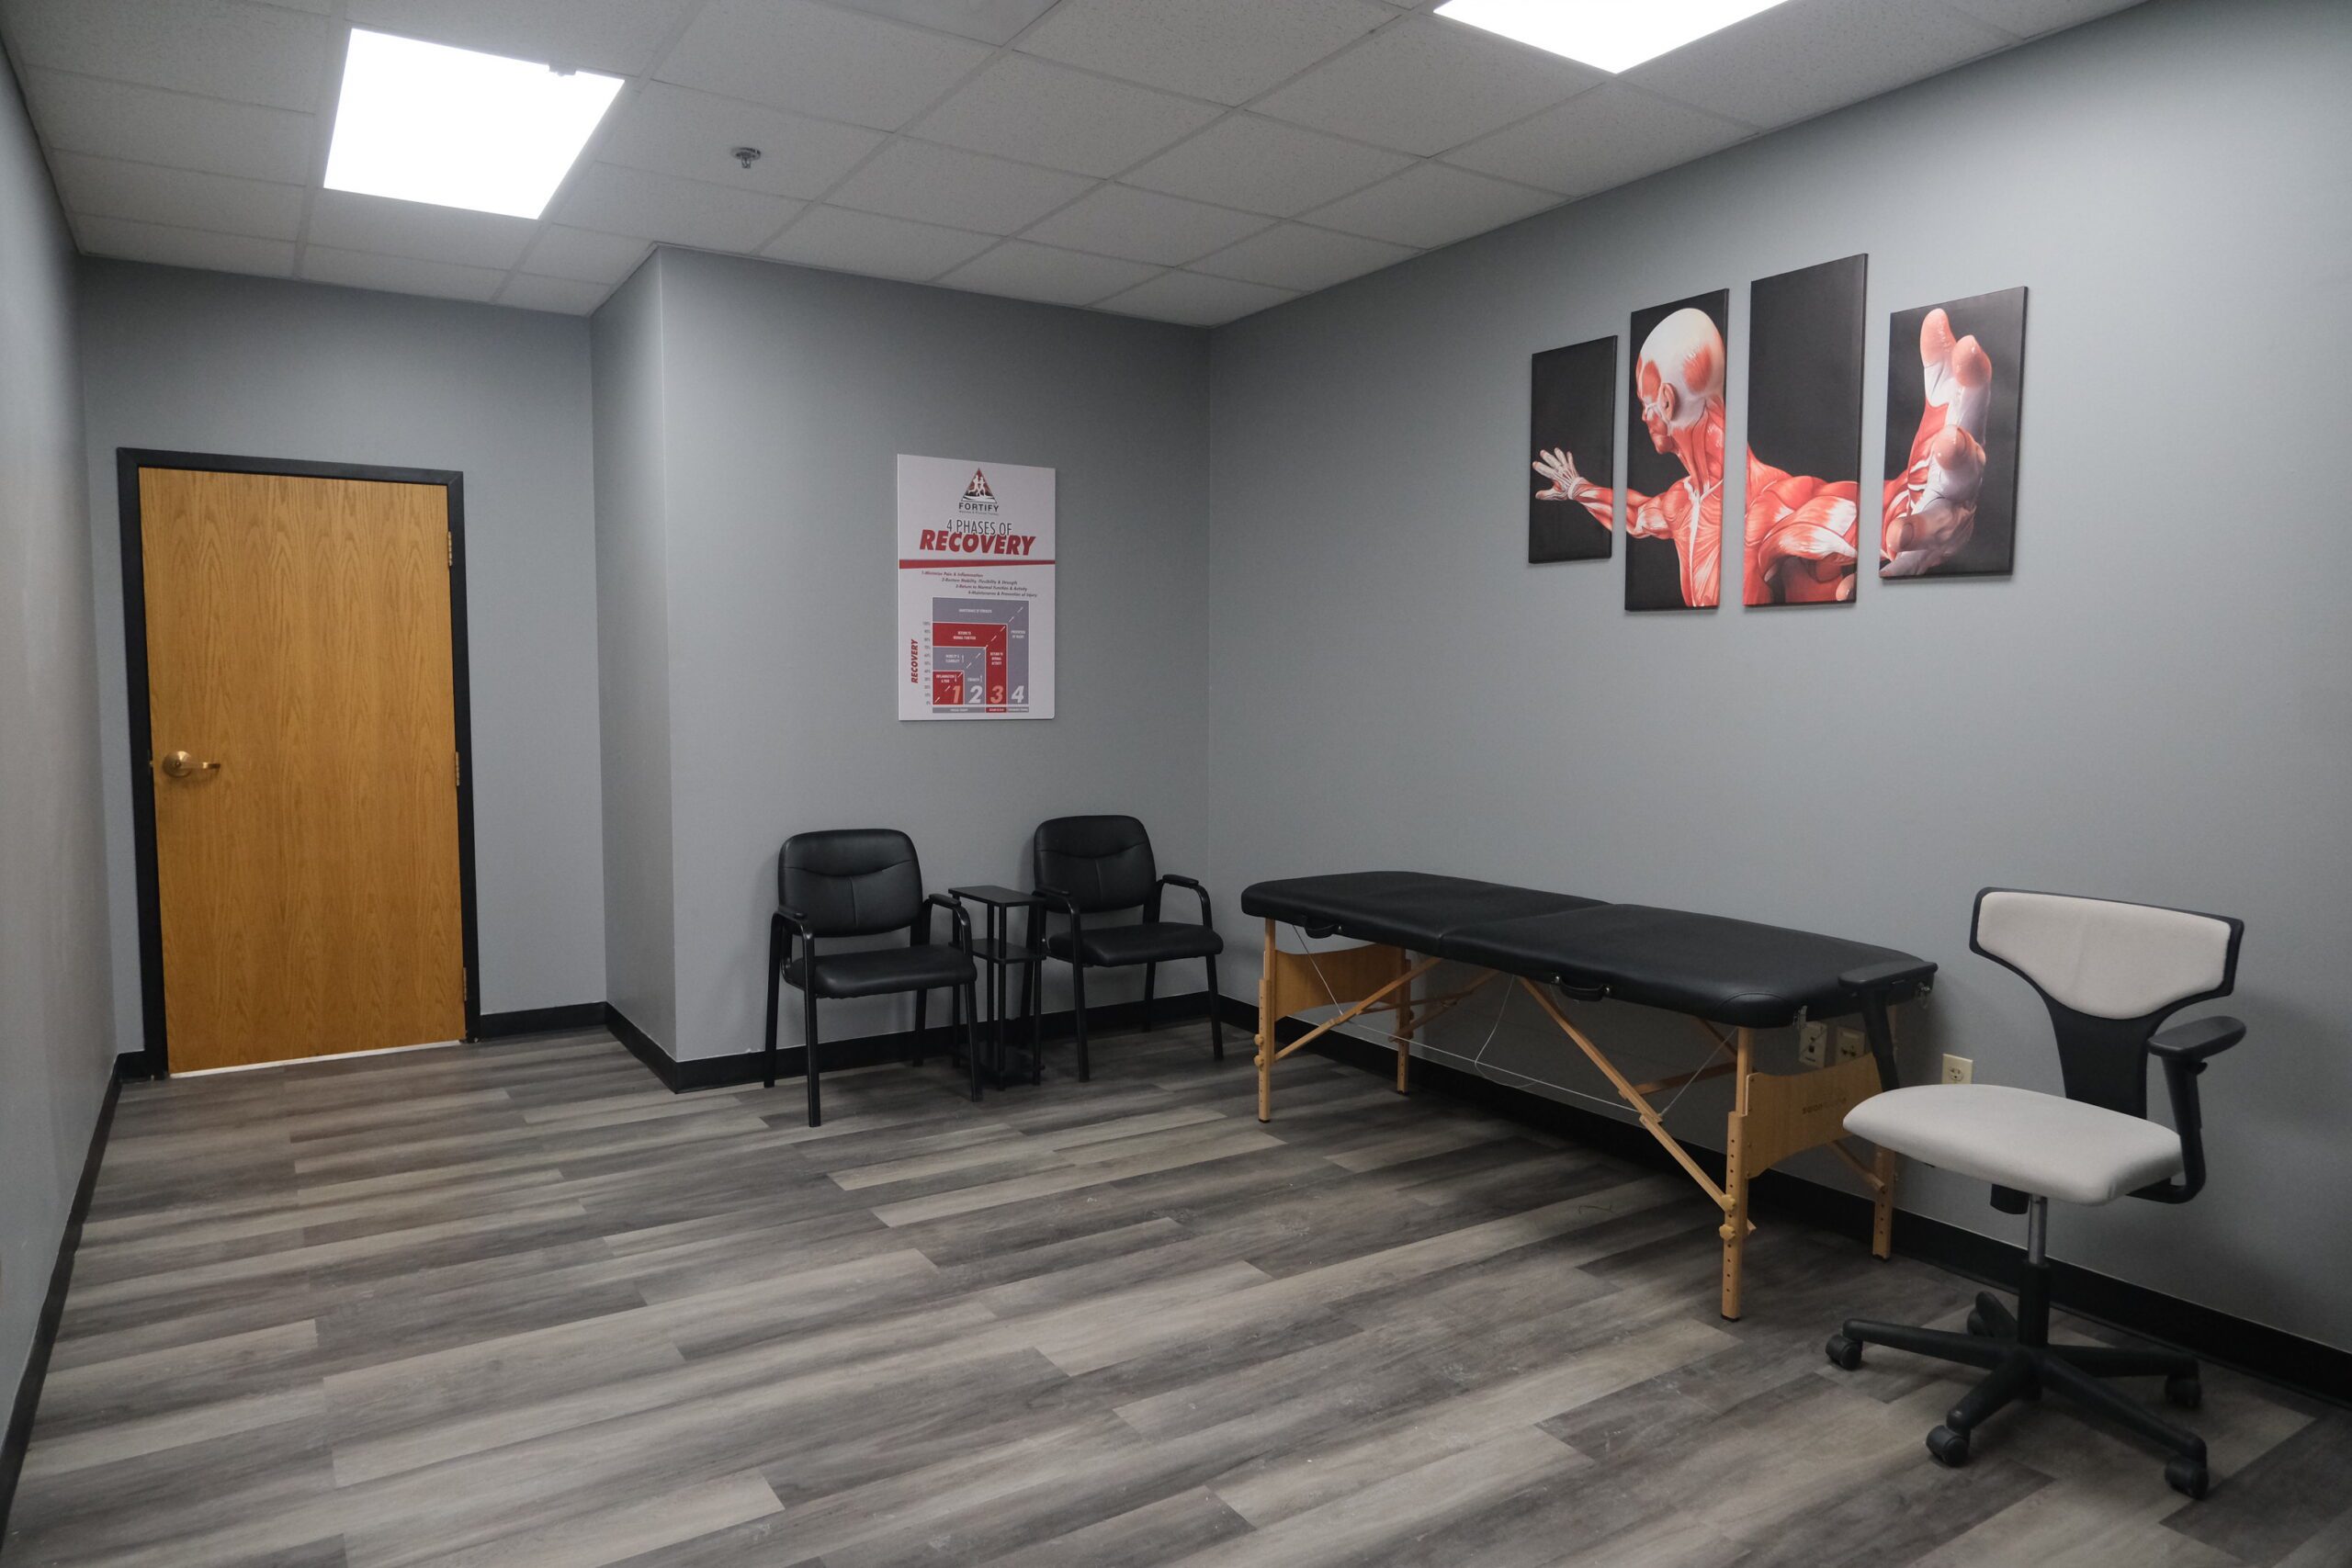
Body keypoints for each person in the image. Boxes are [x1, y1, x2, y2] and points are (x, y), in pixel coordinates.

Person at [1533, 306, 1725, 607]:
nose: (1643, 417)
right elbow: (1635, 515)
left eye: (1644, 403)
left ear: (1666, 401)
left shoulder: (1770, 503)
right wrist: (1576, 488)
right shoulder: (1684, 501)